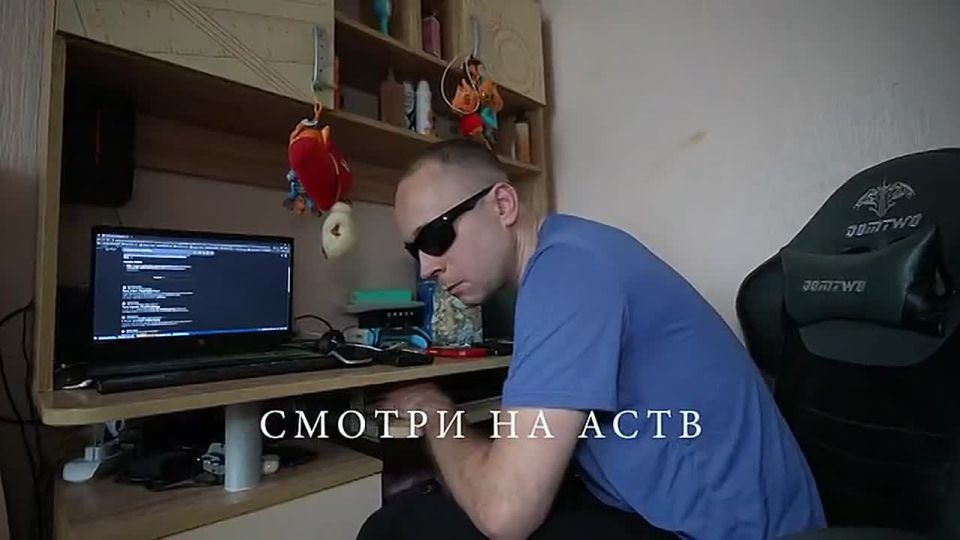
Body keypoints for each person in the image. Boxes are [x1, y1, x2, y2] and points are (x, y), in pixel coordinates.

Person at [358, 139, 826, 539]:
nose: (427, 267)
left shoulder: (567, 272)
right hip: (664, 510)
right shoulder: (574, 250)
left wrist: (435, 412)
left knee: (394, 529)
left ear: (502, 205)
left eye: (436, 236)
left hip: (727, 532)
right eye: (414, 249)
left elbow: (506, 513)